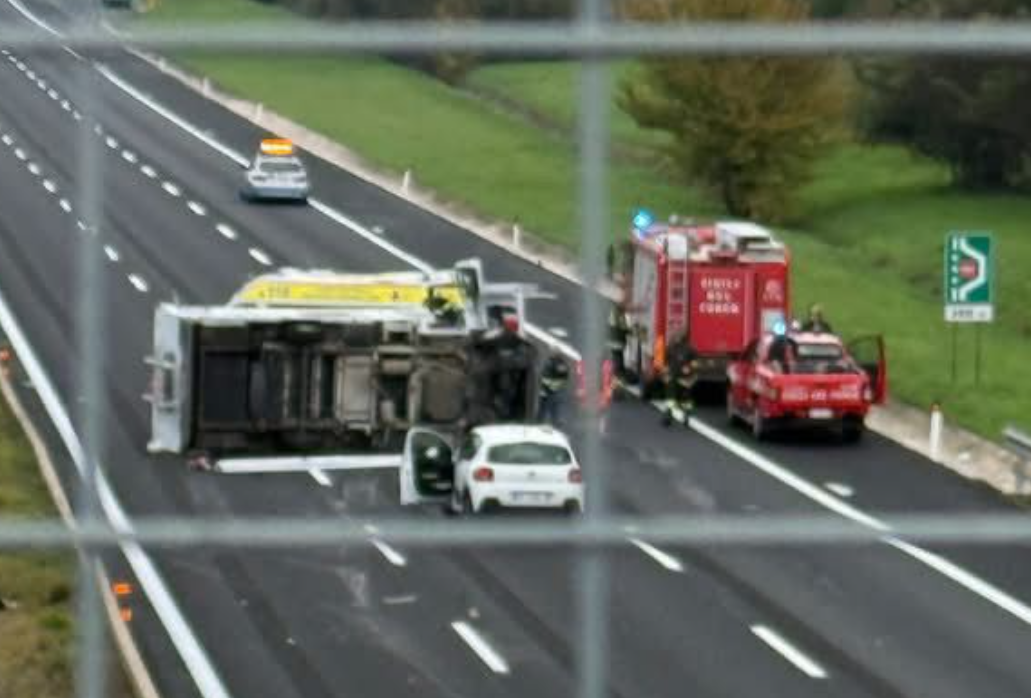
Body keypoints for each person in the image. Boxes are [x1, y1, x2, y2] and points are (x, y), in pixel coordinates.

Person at [538, 349, 571, 426]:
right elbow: (544, 375)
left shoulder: (560, 364)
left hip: (554, 389)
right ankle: (540, 421)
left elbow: (564, 376)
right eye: (552, 352)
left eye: (554, 352)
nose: (552, 353)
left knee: (554, 406)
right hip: (546, 388)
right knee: (544, 406)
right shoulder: (549, 361)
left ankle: (554, 422)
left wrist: (554, 386)